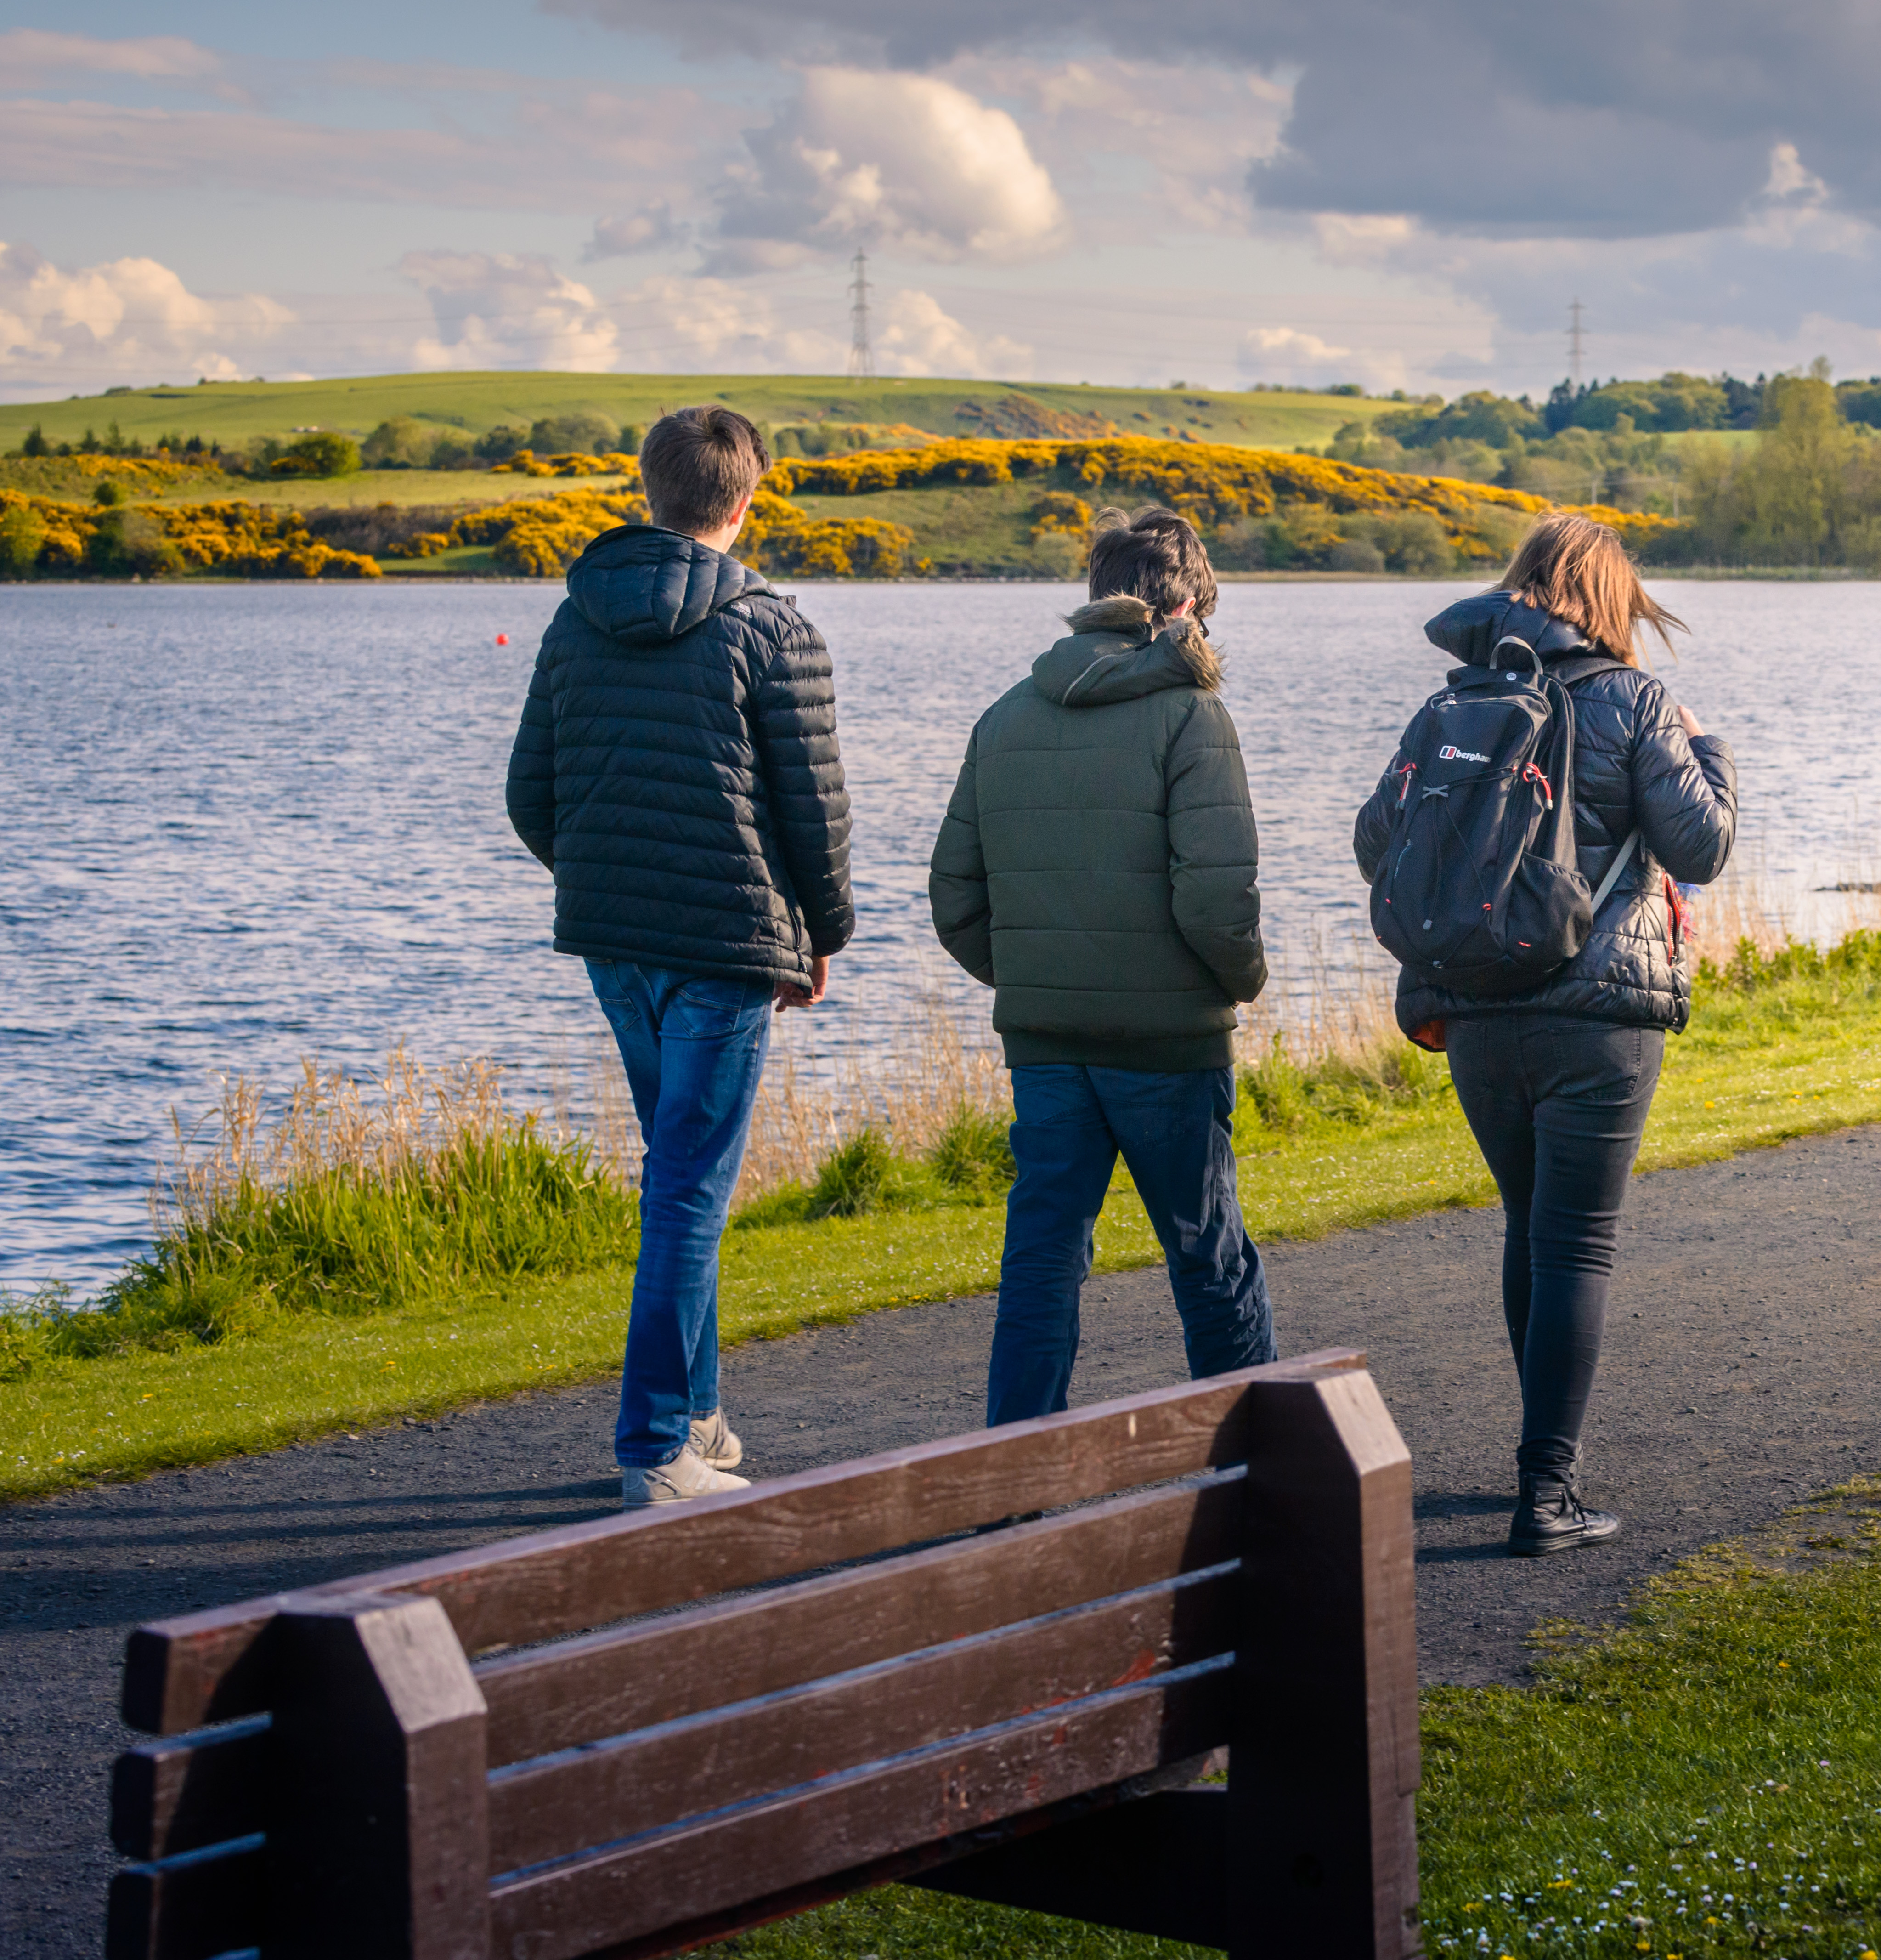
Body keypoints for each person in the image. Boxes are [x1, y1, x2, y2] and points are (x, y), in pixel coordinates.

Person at [1356, 513, 1736, 1555]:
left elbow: (1373, 840)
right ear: (1611, 601)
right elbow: (1698, 847)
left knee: (1531, 1229)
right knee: (1577, 1241)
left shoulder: (1452, 706)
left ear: (1521, 586)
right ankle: (1547, 1493)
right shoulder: (1634, 700)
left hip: (1476, 1006)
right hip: (1598, 1014)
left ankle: (1540, 1468)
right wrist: (1707, 747)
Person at [505, 405, 854, 1508]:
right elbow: (815, 812)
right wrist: (823, 932)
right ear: (747, 497)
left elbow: (530, 796)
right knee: (689, 1194)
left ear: (646, 490)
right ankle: (654, 1451)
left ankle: (696, 1413)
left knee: (677, 1179)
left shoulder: (575, 620)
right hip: (726, 944)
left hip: (617, 938)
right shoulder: (773, 628)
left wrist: (599, 873)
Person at [929, 506, 1277, 1422]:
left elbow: (954, 899)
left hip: (1046, 1044)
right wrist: (1241, 983)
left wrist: (1038, 977)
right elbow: (1215, 897)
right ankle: (1259, 1464)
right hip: (1168, 1043)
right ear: (1188, 607)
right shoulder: (1192, 718)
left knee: (1043, 1259)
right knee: (1210, 1259)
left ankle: (1012, 1482)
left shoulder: (1004, 716)